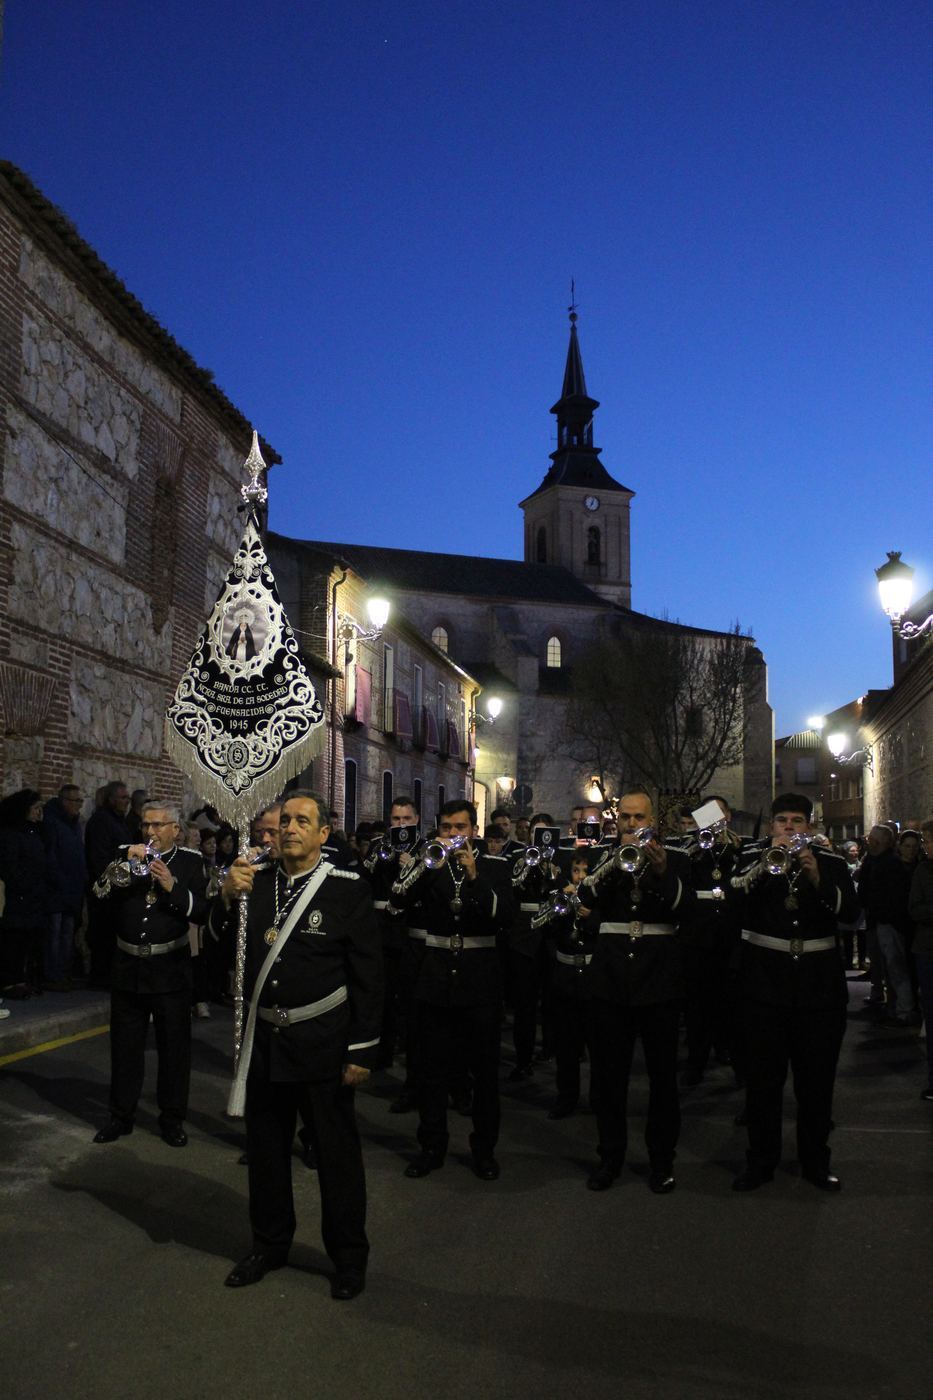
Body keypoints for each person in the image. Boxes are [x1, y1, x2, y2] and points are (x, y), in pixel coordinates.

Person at [219, 791, 381, 1301]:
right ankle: (269, 1245)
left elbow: (370, 976)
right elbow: (226, 946)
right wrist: (225, 895)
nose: (289, 828)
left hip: (324, 1046)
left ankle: (349, 1258)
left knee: (336, 1159)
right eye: (284, 820)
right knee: (266, 1153)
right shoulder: (254, 882)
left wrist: (361, 1051)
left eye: (301, 821)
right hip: (268, 1042)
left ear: (323, 833)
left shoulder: (346, 889)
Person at [728, 793, 857, 1192]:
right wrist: (766, 871)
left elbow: (851, 915)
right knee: (763, 1082)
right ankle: (760, 1161)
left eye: (797, 821)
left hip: (818, 990)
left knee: (815, 1083)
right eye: (781, 820)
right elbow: (731, 907)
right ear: (771, 827)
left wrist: (817, 877)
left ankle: (816, 1160)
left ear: (810, 826)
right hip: (764, 987)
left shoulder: (831, 864)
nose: (788, 827)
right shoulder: (752, 862)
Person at [578, 788, 696, 1194]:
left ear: (653, 821)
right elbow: (584, 899)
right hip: (610, 980)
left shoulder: (676, 859)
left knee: (663, 1078)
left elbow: (688, 911)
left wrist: (663, 872)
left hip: (659, 981)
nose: (631, 825)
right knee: (609, 1079)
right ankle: (609, 1157)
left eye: (639, 818)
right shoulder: (602, 857)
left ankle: (662, 1160)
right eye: (625, 818)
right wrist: (611, 865)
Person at [390, 798, 514, 1181]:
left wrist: (475, 878)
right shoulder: (430, 864)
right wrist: (425, 870)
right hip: (436, 979)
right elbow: (397, 901)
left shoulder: (496, 866)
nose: (453, 836)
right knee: (431, 1071)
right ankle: (431, 1146)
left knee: (484, 1073)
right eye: (446, 828)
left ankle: (484, 1150)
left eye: (460, 828)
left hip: (479, 982)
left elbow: (503, 916)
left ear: (473, 831)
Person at [91, 801, 208, 1147]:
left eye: (158, 825)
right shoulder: (125, 855)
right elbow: (98, 896)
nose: (150, 832)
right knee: (125, 1048)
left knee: (174, 1049)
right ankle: (120, 1116)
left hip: (170, 971)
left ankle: (172, 1119)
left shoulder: (190, 862)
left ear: (175, 829)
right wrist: (123, 865)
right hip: (128, 968)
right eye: (145, 825)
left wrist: (173, 887)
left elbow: (201, 911)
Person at [532, 852, 599, 1117]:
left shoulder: (599, 899)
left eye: (584, 871)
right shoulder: (559, 895)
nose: (580, 876)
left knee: (598, 1045)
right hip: (565, 976)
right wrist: (559, 906)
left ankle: (598, 1098)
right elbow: (545, 931)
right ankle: (566, 1097)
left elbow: (605, 928)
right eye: (575, 870)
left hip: (593, 976)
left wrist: (590, 916)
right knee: (566, 1045)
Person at [857, 824, 917, 1026]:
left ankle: (904, 1010)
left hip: (889, 922)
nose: (870, 842)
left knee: (896, 967)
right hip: (881, 920)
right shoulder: (876, 861)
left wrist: (883, 914)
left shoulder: (890, 864)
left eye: (873, 839)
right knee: (889, 968)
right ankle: (894, 1007)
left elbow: (891, 896)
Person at [0, 790, 53, 998]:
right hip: (19, 899)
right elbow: (10, 867)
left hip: (35, 898)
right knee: (14, 943)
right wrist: (25, 885)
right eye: (35, 808)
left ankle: (25, 979)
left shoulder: (34, 833)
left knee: (28, 942)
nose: (39, 813)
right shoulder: (10, 835)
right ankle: (10, 982)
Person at [84, 781, 132, 986]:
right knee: (102, 933)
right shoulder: (101, 822)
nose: (126, 801)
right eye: (122, 797)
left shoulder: (120, 821)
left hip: (118, 888)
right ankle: (100, 976)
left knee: (112, 934)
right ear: (111, 799)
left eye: (127, 798)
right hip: (105, 888)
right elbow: (101, 857)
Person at [42, 784, 87, 989]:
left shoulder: (75, 824)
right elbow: (50, 856)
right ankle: (52, 975)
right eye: (76, 801)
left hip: (72, 889)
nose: (79, 805)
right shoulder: (52, 823)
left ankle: (62, 972)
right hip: (57, 889)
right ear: (65, 801)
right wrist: (58, 879)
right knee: (55, 934)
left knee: (67, 934)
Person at [908, 821, 933, 1102]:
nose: (925, 846)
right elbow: (915, 908)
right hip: (928, 950)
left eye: (928, 841)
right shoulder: (922, 871)